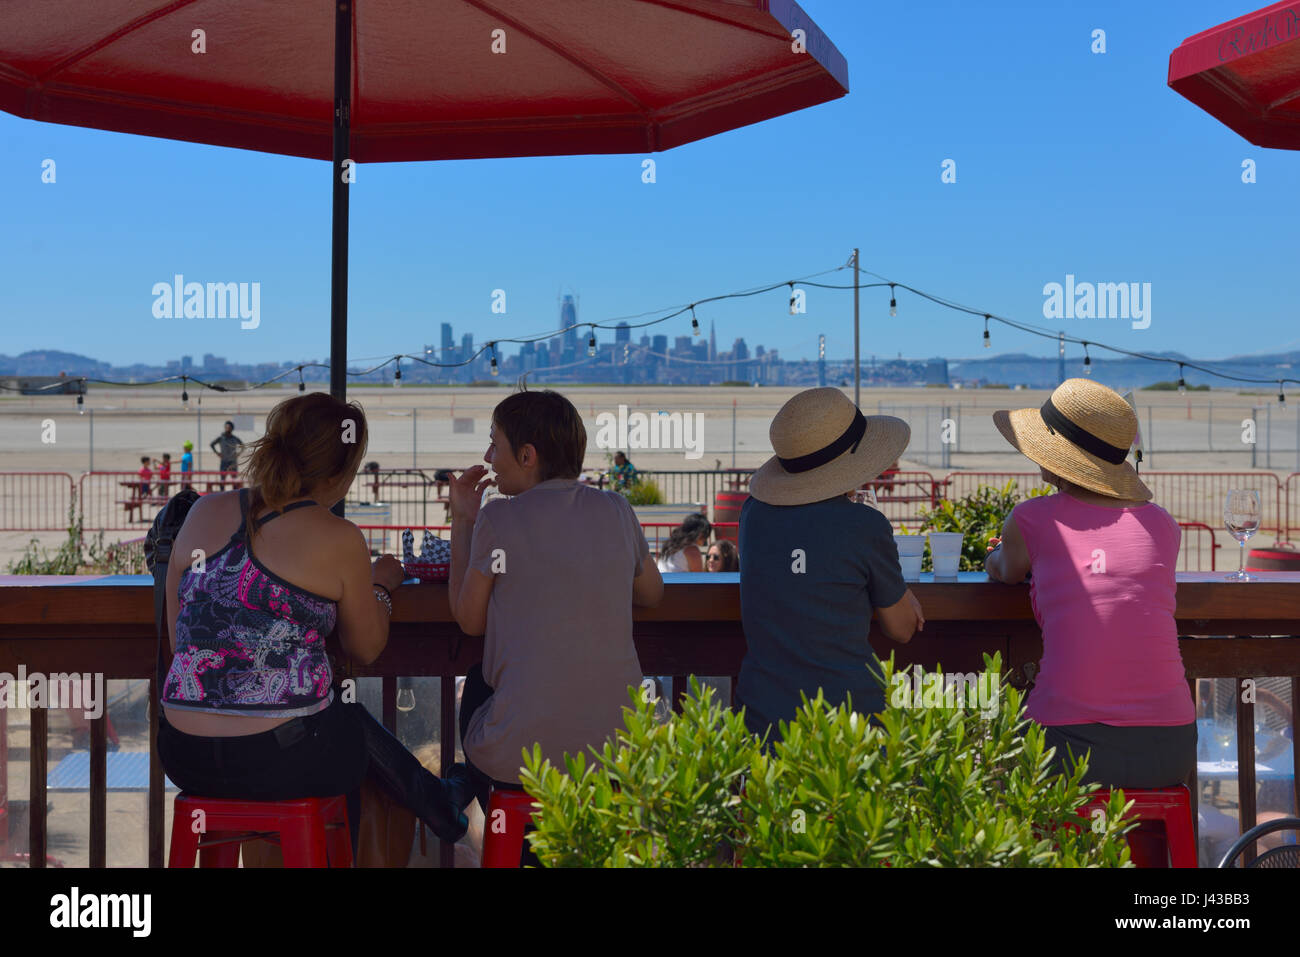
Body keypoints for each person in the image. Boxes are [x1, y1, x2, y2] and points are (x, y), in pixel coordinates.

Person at [157, 392, 471, 853]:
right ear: (341, 473)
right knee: (346, 723)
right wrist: (382, 585)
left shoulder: (205, 511)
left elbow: (177, 630)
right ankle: (437, 809)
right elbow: (365, 648)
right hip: (279, 760)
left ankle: (440, 806)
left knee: (336, 719)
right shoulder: (339, 537)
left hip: (182, 754)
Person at [448, 389, 664, 820]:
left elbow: (469, 620)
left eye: (495, 443)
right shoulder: (618, 509)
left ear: (527, 456)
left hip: (522, 760)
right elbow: (652, 594)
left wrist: (463, 520)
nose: (489, 456)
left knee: (476, 684)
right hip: (617, 754)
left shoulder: (499, 518)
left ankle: (500, 828)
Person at [984, 378, 1195, 787]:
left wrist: (994, 552)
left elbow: (1005, 570)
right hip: (1171, 747)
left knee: (995, 768)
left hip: (1069, 744)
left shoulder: (1032, 518)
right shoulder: (1163, 524)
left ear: (1059, 457)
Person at [735, 388, 924, 743]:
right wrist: (904, 596)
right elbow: (901, 629)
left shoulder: (753, 515)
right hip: (848, 718)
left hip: (765, 713)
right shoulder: (863, 525)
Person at [210, 421, 244, 490]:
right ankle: (221, 495)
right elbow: (212, 444)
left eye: (229, 427)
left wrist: (238, 453)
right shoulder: (221, 438)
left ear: (232, 429)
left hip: (232, 462)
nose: (227, 429)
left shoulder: (235, 438)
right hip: (224, 461)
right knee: (222, 480)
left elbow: (243, 445)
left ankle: (234, 495)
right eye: (226, 427)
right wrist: (217, 453)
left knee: (234, 480)